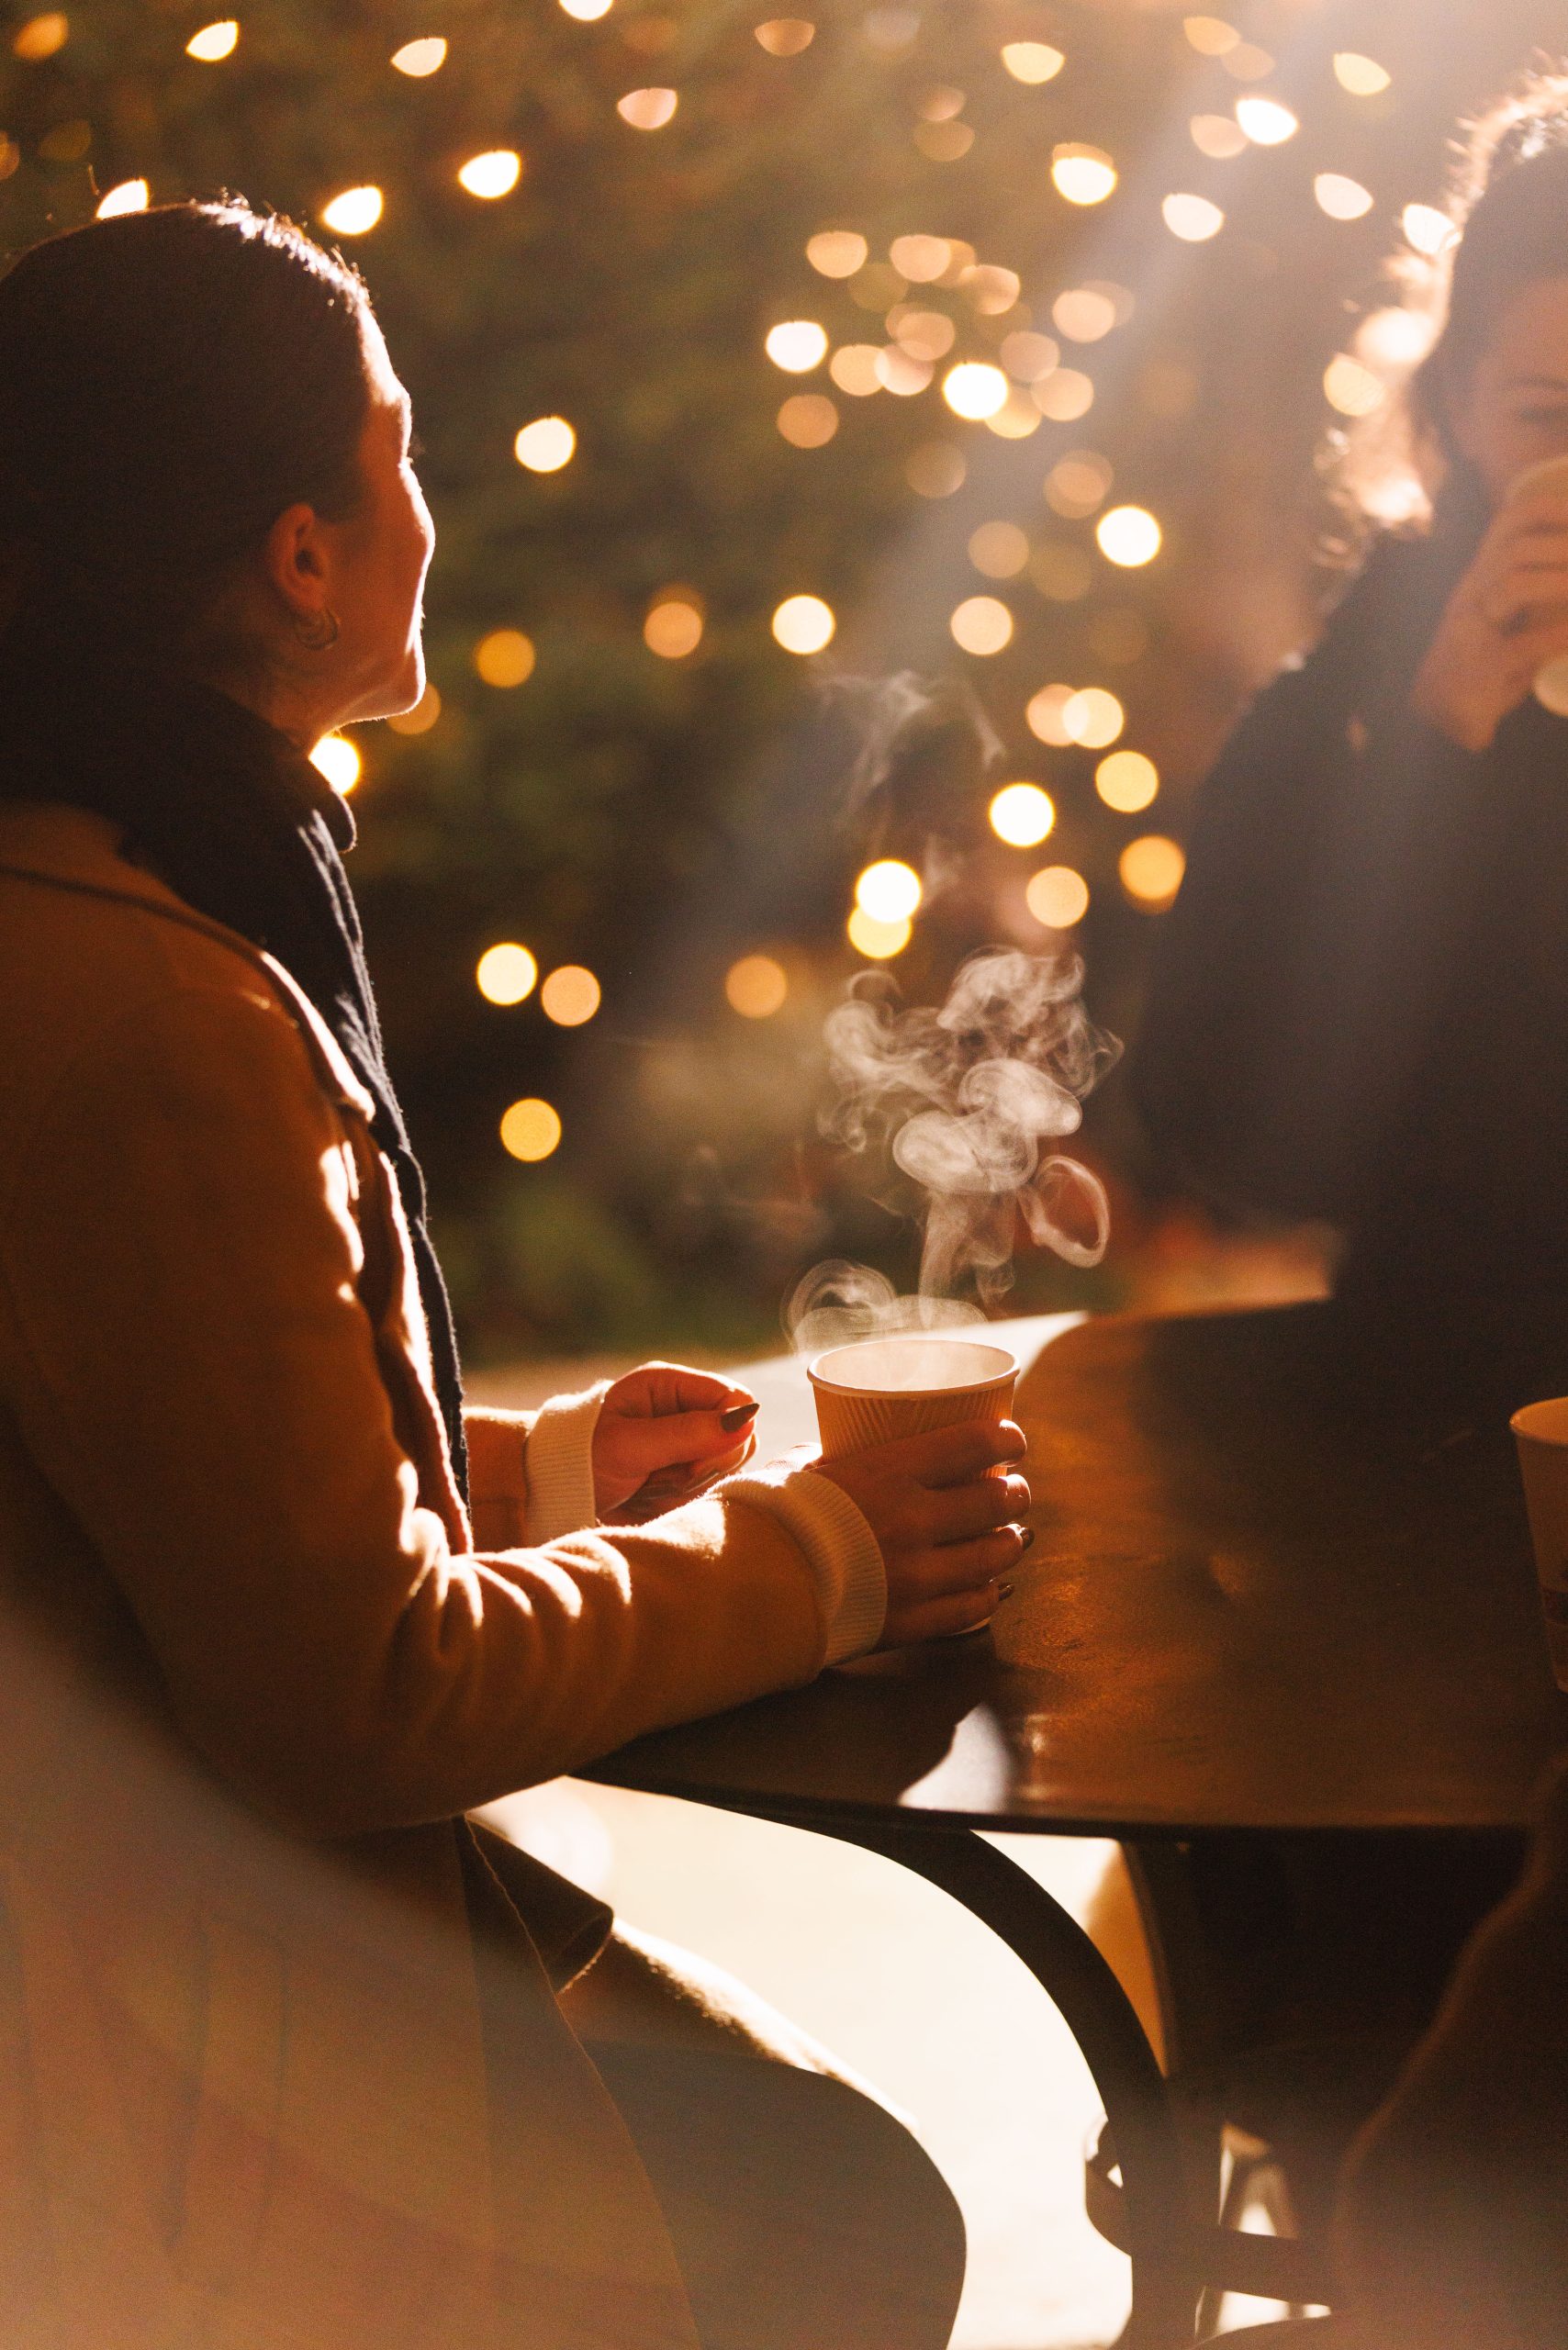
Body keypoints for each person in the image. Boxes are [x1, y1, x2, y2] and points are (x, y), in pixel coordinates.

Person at [0, 200, 1035, 2349]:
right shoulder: (154, 1003)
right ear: (301, 551)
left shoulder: (110, 874)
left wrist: (537, 1476)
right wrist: (823, 1554)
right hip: (151, 1998)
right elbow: (348, 1693)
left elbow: (164, 1466)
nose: (420, 507)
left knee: (821, 2185)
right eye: (396, 452)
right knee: (833, 2220)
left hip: (157, 1896)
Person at [1135, 72, 1568, 1418]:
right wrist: (1438, 749)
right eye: (1550, 419)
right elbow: (1231, 1131)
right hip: (1454, 1429)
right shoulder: (1362, 696)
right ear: (1452, 406)